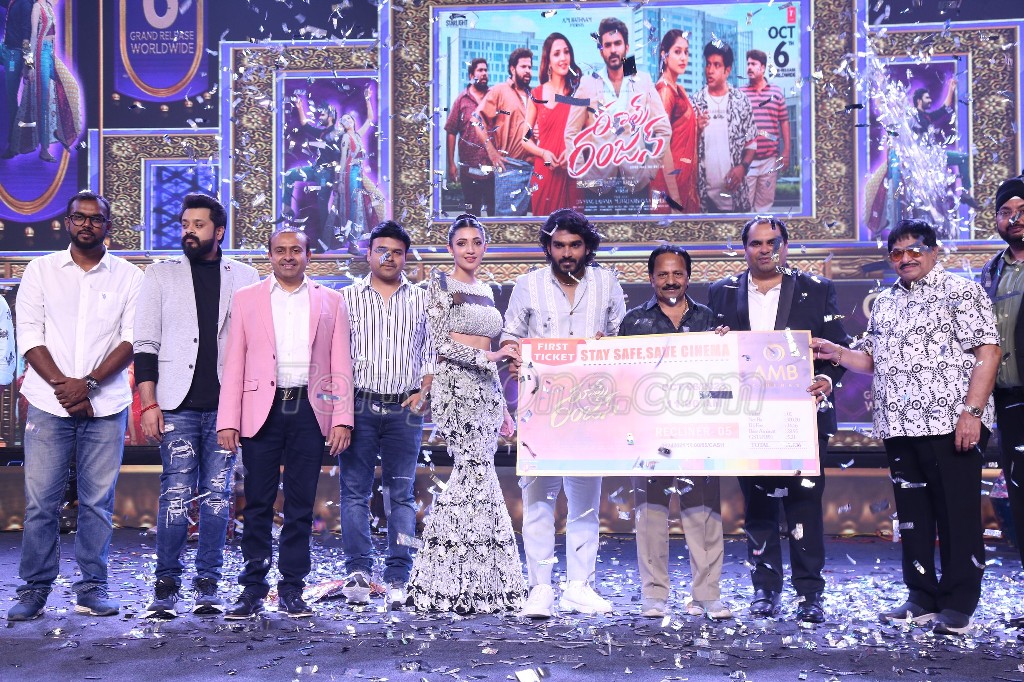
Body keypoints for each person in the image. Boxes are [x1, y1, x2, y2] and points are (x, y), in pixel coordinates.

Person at [814, 219, 1000, 636]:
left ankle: (958, 604)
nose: (905, 258)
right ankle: (921, 597)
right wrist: (836, 352)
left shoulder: (961, 291)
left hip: (950, 422)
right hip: (899, 425)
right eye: (897, 253)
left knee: (956, 516)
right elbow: (870, 360)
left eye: (914, 250)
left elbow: (988, 352)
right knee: (913, 518)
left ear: (933, 251)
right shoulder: (885, 302)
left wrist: (972, 413)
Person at [7, 190, 143, 621]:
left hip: (106, 405)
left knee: (97, 503)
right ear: (68, 222)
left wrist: (88, 385)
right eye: (79, 217)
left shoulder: (129, 276)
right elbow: (30, 334)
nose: (87, 224)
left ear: (108, 226)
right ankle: (34, 589)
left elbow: (132, 339)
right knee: (41, 504)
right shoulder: (41, 270)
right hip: (49, 404)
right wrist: (65, 389)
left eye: (95, 218)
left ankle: (91, 588)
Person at [707, 216, 850, 623]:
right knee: (758, 507)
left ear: (785, 246)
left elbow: (839, 346)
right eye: (756, 243)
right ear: (745, 249)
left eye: (772, 242)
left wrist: (827, 378)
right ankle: (765, 590)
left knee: (805, 505)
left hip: (802, 415)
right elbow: (709, 349)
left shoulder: (817, 288)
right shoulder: (721, 291)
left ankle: (810, 594)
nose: (765, 249)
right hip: (747, 416)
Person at [216, 228, 354, 619]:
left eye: (296, 250)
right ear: (270, 255)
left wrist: (342, 418)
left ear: (309, 256)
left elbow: (340, 362)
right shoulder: (247, 298)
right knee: (257, 502)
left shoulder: (331, 300)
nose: (288, 256)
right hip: (261, 409)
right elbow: (235, 361)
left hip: (310, 409)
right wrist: (228, 419)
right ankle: (252, 588)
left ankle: (293, 588)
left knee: (300, 503)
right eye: (281, 250)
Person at [133, 194, 260, 619]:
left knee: (218, 496)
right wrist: (148, 404)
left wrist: (246, 406)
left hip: (226, 408)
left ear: (219, 231)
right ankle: (166, 585)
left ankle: (208, 584)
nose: (189, 231)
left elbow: (255, 345)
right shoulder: (159, 275)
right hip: (176, 405)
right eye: (185, 224)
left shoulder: (246, 277)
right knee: (175, 492)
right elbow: (145, 344)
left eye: (198, 225)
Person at [501, 208, 626, 617]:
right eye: (559, 245)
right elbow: (510, 336)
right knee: (538, 499)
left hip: (592, 408)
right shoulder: (528, 285)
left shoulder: (607, 283)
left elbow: (623, 338)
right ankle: (540, 588)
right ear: (548, 246)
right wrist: (515, 358)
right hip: (540, 408)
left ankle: (579, 586)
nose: (567, 253)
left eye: (574, 245)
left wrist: (609, 346)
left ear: (587, 247)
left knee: (585, 500)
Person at [405, 214, 526, 614]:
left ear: (485, 247)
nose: (470, 249)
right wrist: (491, 356)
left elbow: (490, 347)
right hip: (455, 388)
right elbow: (440, 344)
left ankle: (476, 581)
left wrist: (503, 405)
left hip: (487, 392)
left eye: (477, 242)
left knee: (479, 477)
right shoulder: (439, 284)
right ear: (450, 248)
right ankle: (443, 580)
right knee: (471, 473)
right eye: (462, 243)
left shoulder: (486, 289)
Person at [619, 245, 729, 619]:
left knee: (703, 515)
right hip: (649, 434)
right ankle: (654, 595)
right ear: (651, 278)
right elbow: (620, 379)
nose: (670, 281)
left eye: (677, 273)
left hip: (698, 432)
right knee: (651, 516)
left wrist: (725, 344)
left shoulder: (710, 319)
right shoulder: (634, 321)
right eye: (663, 274)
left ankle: (707, 594)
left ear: (688, 277)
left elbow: (724, 377)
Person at [338, 220, 435, 610]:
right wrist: (339, 410)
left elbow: (430, 353)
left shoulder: (422, 300)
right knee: (354, 493)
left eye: (397, 252)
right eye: (382, 250)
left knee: (402, 496)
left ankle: (399, 574)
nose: (389, 257)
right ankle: (358, 572)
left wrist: (424, 392)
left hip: (404, 409)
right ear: (368, 254)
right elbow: (335, 355)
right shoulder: (346, 298)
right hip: (358, 406)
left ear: (405, 257)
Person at [563, 18, 672, 215]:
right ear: (601, 50)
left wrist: (650, 171)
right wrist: (583, 173)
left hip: (636, 183)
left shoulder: (643, 81)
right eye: (607, 45)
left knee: (636, 234)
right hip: (597, 185)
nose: (613, 50)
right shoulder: (588, 83)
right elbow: (571, 132)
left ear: (626, 47)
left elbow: (664, 129)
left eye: (617, 43)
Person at [980, 174, 1024, 594]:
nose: (1014, 219)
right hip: (1009, 402)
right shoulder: (992, 270)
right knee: (1021, 498)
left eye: (1023, 210)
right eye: (1005, 212)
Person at [11, 0, 81, 161]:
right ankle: (44, 149)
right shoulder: (37, 7)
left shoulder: (48, 6)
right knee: (43, 102)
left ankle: (61, 132)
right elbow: (32, 37)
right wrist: (29, 65)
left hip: (50, 53)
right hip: (40, 54)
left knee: (71, 86)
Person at [692, 41, 758, 212]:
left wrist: (742, 168)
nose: (710, 70)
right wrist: (696, 130)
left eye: (716, 65)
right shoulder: (695, 102)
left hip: (736, 197)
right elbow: (686, 149)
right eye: (708, 64)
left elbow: (752, 144)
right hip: (703, 200)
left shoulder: (741, 101)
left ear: (727, 70)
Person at [522, 33, 583, 216]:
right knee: (545, 228)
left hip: (572, 173)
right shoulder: (537, 94)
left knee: (574, 227)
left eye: (566, 52)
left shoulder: (577, 93)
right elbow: (524, 139)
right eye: (557, 54)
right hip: (544, 174)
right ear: (548, 61)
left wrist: (573, 151)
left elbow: (591, 132)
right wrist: (543, 153)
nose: (563, 58)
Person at [474, 48, 535, 217]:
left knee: (538, 224)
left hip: (535, 168)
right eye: (523, 67)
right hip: (510, 167)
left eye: (530, 67)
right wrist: (492, 152)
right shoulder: (499, 90)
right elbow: (476, 120)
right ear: (512, 69)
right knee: (508, 222)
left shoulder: (533, 95)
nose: (528, 71)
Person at [650, 29, 699, 213]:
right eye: (677, 52)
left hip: (684, 177)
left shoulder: (679, 89)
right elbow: (662, 147)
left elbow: (679, 129)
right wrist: (674, 199)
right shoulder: (665, 91)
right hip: (670, 183)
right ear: (664, 55)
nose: (683, 57)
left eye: (686, 52)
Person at [332, 93, 385, 254]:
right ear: (342, 125)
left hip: (359, 173)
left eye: (349, 118)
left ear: (354, 121)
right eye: (344, 120)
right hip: (349, 174)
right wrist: (340, 181)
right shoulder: (346, 138)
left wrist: (368, 99)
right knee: (353, 205)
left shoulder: (357, 135)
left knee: (376, 198)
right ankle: (352, 243)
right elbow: (343, 160)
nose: (347, 120)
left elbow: (370, 119)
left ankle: (374, 234)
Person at [280, 99, 340, 240]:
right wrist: (300, 107)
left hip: (326, 175)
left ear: (331, 117)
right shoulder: (322, 133)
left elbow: (339, 158)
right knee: (289, 175)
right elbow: (305, 125)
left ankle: (326, 239)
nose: (320, 117)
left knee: (322, 206)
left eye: (323, 115)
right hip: (315, 170)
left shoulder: (337, 134)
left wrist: (336, 180)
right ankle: (287, 208)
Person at [739, 49, 790, 213]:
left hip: (769, 160)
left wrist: (787, 151)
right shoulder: (740, 93)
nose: (749, 67)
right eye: (748, 64)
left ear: (762, 68)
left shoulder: (776, 92)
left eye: (753, 64)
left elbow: (784, 121)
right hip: (746, 161)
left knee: (764, 208)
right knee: (744, 207)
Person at [445, 58, 493, 216]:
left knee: (494, 214)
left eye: (485, 70)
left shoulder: (493, 97)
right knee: (472, 214)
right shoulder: (461, 100)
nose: (484, 73)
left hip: (492, 169)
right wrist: (451, 164)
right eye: (480, 70)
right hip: (468, 169)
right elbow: (451, 131)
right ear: (471, 75)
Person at [2, 0, 32, 158]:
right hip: (7, 49)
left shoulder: (24, 3)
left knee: (11, 97)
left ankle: (14, 143)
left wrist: (29, 64)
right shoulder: (12, 1)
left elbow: (27, 34)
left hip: (15, 53)